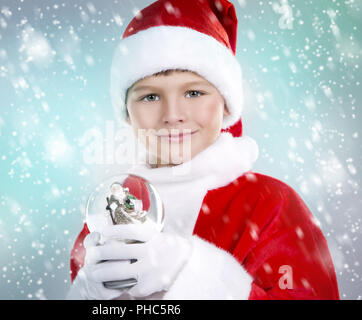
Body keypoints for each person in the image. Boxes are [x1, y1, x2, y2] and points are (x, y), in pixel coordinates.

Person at [66, 0, 340, 300]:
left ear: (225, 103)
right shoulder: (111, 211)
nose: (172, 114)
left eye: (194, 92)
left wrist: (196, 277)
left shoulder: (271, 205)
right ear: (127, 113)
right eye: (150, 97)